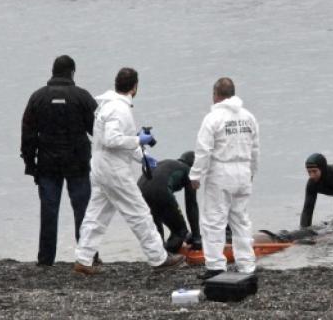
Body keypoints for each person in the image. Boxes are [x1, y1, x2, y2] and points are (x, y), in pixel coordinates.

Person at [73, 68, 185, 275]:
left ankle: (83, 258)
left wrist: (142, 156)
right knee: (139, 212)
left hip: (100, 167)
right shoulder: (119, 109)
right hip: (114, 171)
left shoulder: (108, 105)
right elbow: (113, 140)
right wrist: (138, 140)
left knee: (96, 214)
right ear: (135, 87)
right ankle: (158, 257)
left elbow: (115, 140)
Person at [21, 55, 98, 266]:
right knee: (83, 210)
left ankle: (45, 259)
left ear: (53, 71)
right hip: (78, 163)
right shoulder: (82, 96)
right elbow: (97, 131)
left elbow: (28, 133)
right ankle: (87, 257)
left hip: (47, 164)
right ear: (72, 72)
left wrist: (30, 163)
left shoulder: (37, 97)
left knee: (49, 211)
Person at [189, 77, 260, 279]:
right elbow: (255, 148)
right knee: (241, 220)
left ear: (216, 95)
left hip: (221, 172)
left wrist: (195, 175)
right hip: (243, 171)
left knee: (214, 221)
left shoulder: (213, 118)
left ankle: (216, 266)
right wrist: (252, 170)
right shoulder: (248, 117)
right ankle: (247, 264)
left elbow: (203, 150)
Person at [138, 151, 202, 253]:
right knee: (180, 232)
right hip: (160, 191)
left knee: (156, 232)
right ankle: (167, 255)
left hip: (139, 192)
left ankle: (159, 257)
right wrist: (196, 238)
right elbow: (191, 205)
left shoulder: (168, 163)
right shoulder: (190, 171)